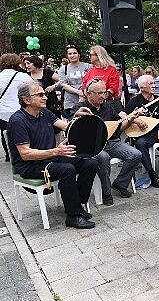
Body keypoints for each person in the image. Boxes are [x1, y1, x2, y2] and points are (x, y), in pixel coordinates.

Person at [7, 81, 98, 229]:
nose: (45, 97)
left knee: (90, 163)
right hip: (30, 165)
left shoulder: (44, 113)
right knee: (67, 169)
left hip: (50, 158)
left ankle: (77, 205)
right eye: (40, 95)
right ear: (26, 100)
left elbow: (67, 126)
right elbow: (26, 154)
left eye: (45, 94)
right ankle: (73, 216)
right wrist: (56, 151)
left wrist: (77, 116)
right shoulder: (18, 121)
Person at [74, 80, 143, 206]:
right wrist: (76, 116)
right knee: (104, 158)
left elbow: (120, 127)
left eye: (104, 92)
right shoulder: (80, 108)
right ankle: (106, 192)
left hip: (112, 142)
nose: (103, 96)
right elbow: (70, 125)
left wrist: (131, 118)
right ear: (88, 94)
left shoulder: (108, 107)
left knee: (136, 154)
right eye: (99, 93)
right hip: (92, 146)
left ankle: (120, 184)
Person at [124, 75, 159, 188]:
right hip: (143, 133)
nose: (154, 86)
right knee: (140, 143)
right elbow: (123, 115)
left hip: (158, 132)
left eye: (154, 83)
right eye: (150, 84)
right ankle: (152, 174)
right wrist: (136, 120)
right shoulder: (135, 101)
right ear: (142, 88)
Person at [0, 54, 33, 161]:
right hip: (22, 111)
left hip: (3, 112)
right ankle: (27, 152)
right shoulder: (24, 77)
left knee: (5, 133)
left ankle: (9, 155)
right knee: (25, 133)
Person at [58, 45, 91, 119]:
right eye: (70, 54)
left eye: (74, 53)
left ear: (79, 54)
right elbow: (64, 85)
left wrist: (83, 92)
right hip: (70, 102)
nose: (72, 56)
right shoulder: (63, 69)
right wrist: (78, 92)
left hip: (87, 100)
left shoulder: (88, 66)